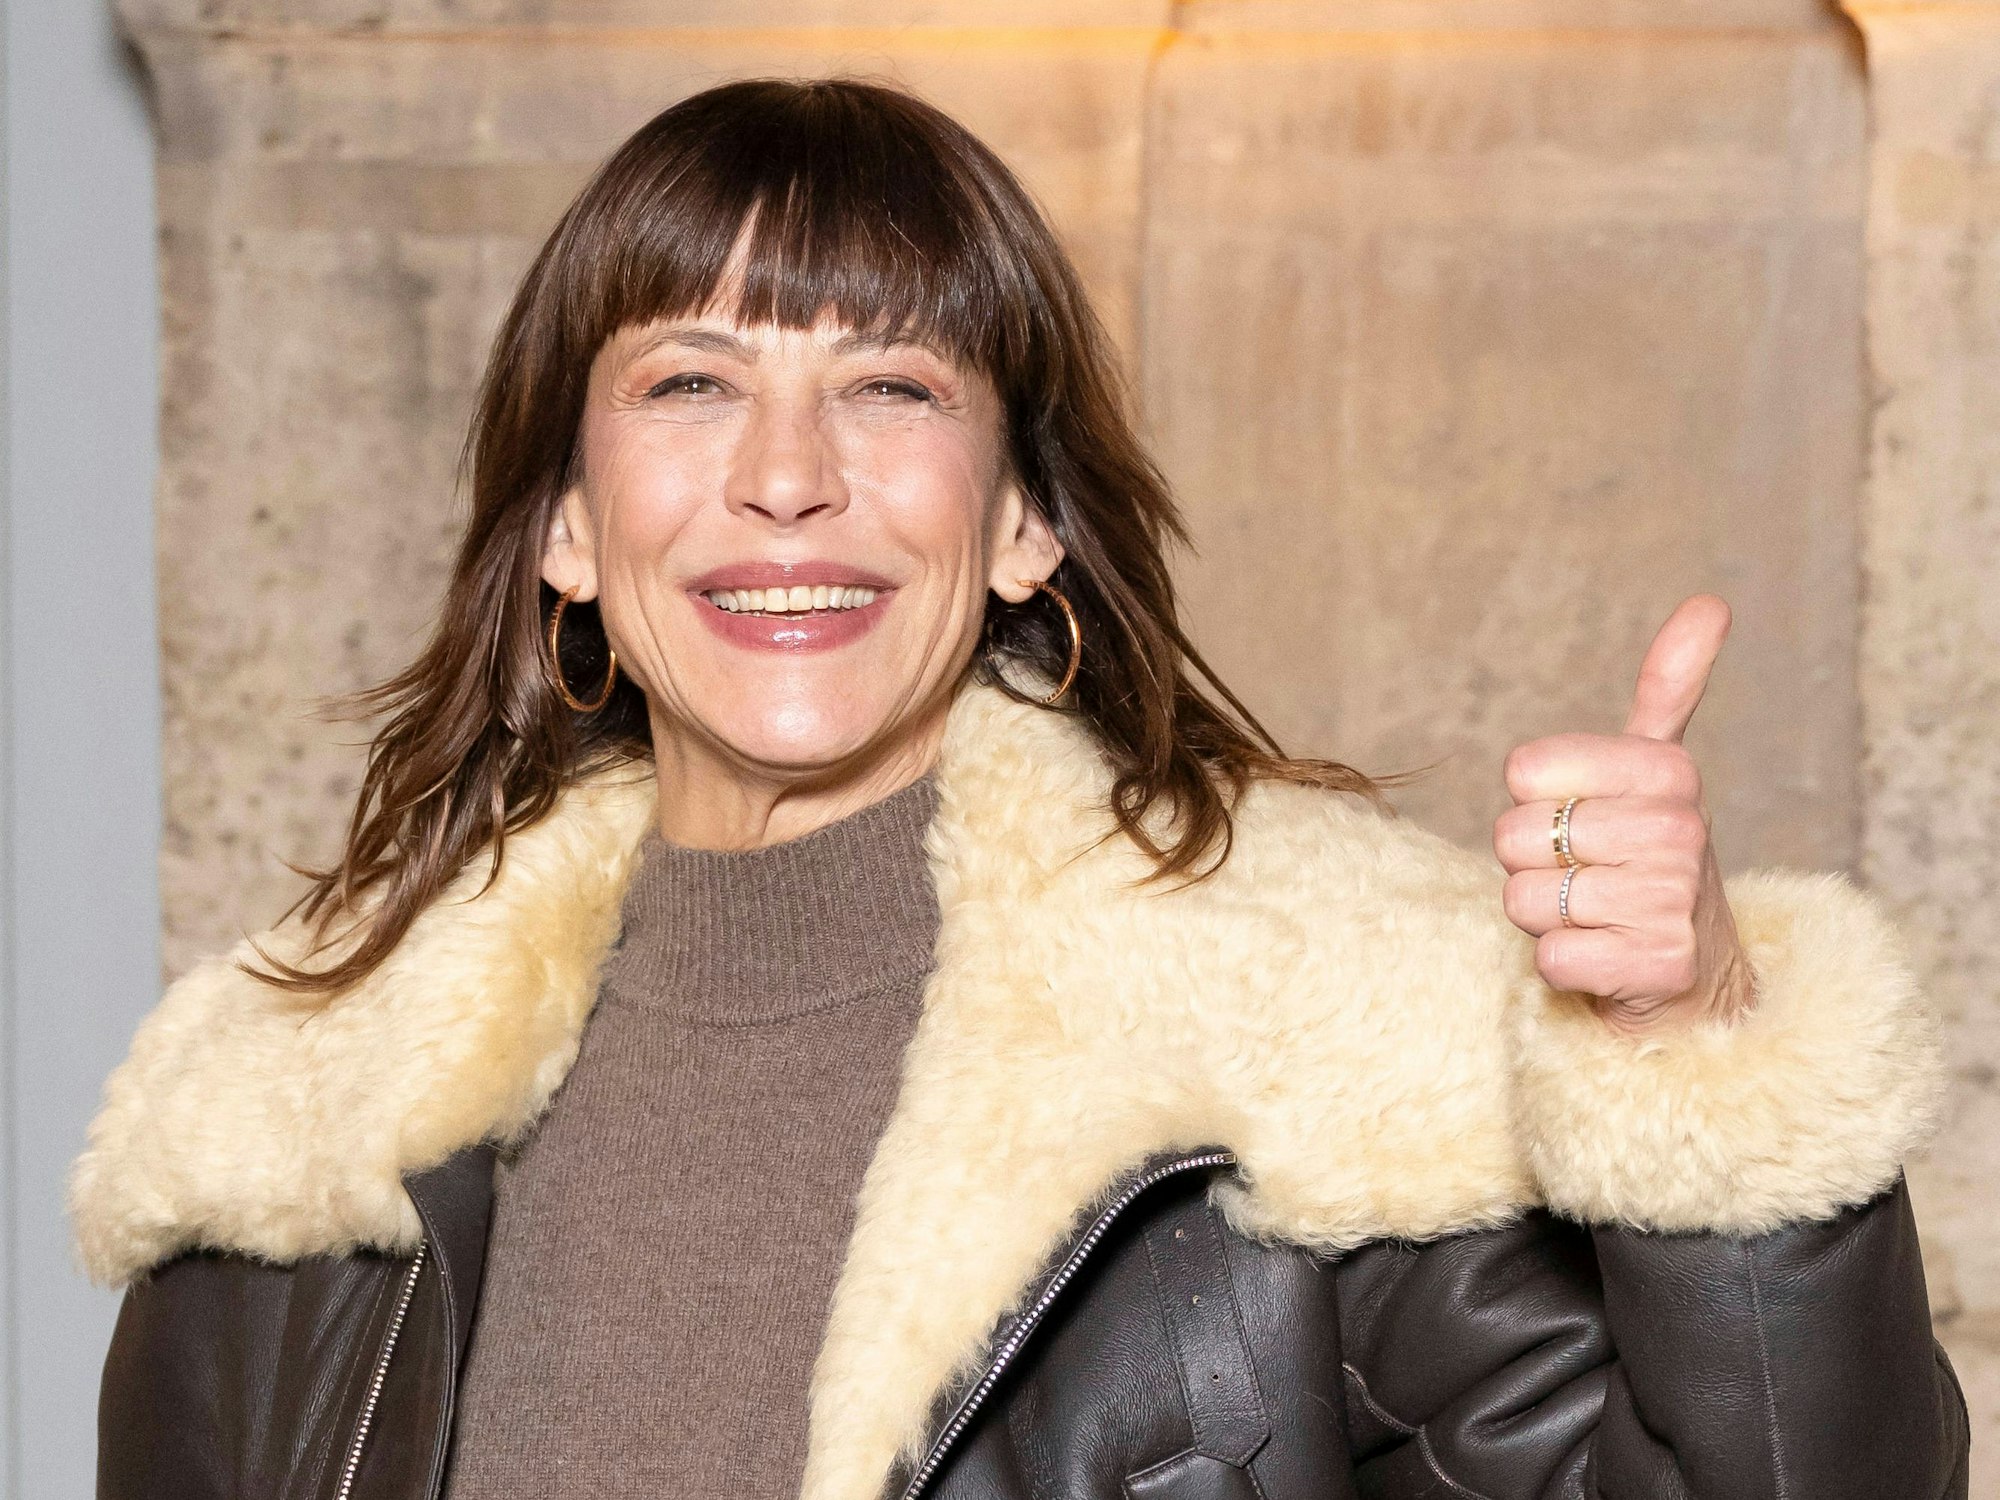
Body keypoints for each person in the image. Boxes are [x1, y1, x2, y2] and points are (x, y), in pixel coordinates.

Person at [73, 78, 1967, 1500]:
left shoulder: (1319, 1045)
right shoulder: (291, 1134)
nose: (789, 477)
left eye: (891, 388)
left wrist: (1698, 1054)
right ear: (567, 528)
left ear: (1025, 527)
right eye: (689, 385)